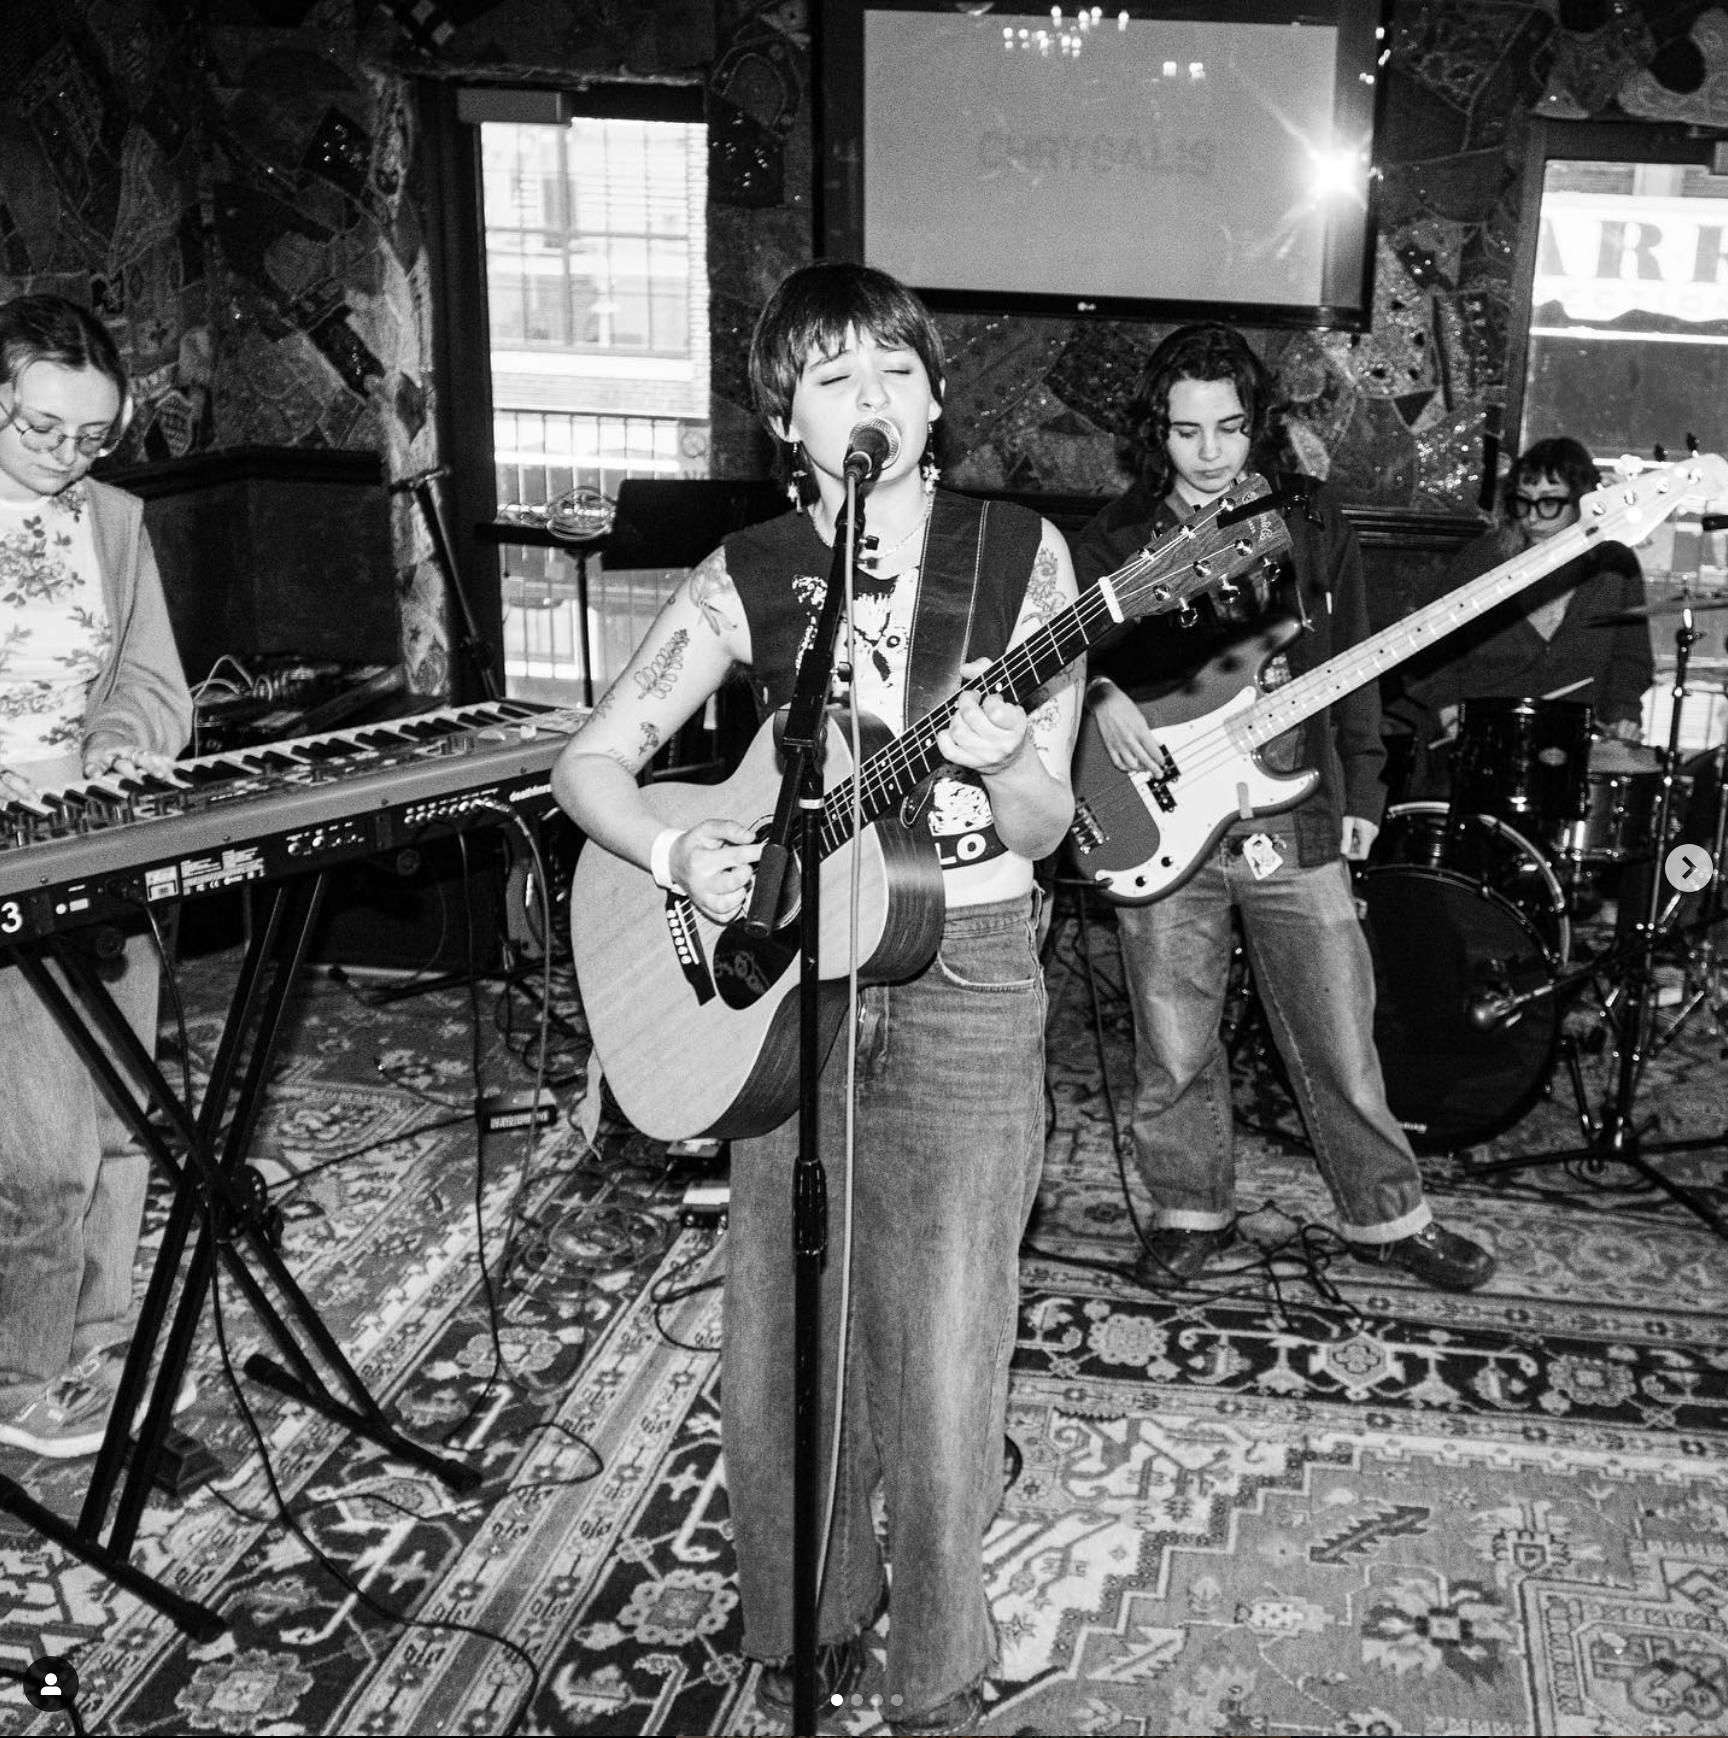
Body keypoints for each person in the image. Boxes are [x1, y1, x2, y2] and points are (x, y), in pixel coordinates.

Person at [553, 262, 1081, 1735]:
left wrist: (996, 759)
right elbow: (590, 764)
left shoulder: (1021, 556)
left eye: (900, 372)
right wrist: (682, 847)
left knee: (947, 1335)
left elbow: (1045, 826)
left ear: (936, 397)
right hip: (786, 981)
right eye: (839, 377)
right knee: (786, 1333)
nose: (879, 400)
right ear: (789, 415)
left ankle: (936, 1663)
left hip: (969, 966)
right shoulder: (755, 567)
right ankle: (804, 1622)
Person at [1075, 321, 1496, 1292]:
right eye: (1187, 432)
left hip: (1293, 804)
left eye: (1229, 428)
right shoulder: (1110, 539)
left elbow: (1353, 668)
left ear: (1255, 424)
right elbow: (1055, 665)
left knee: (1339, 1028)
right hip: (1159, 816)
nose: (1211, 452)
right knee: (1173, 1040)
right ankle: (1190, 1207)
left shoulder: (1309, 521)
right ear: (1156, 432)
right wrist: (1102, 697)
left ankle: (1387, 1216)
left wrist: (1363, 787)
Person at [0, 294, 193, 1457]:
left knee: (126, 1117)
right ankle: (20, 1368)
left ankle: (99, 1335)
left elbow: (149, 676)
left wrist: (125, 737)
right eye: (42, 431)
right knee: (42, 1144)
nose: (70, 458)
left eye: (93, 436)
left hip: (96, 830)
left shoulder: (112, 518)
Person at [1400, 435, 1654, 796]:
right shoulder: (1484, 560)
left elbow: (1631, 657)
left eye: (1550, 503)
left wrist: (1623, 712)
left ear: (1583, 501)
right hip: (1480, 746)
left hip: (1569, 751)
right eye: (1523, 502)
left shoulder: (1615, 566)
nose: (1532, 516)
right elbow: (1424, 648)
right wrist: (1446, 711)